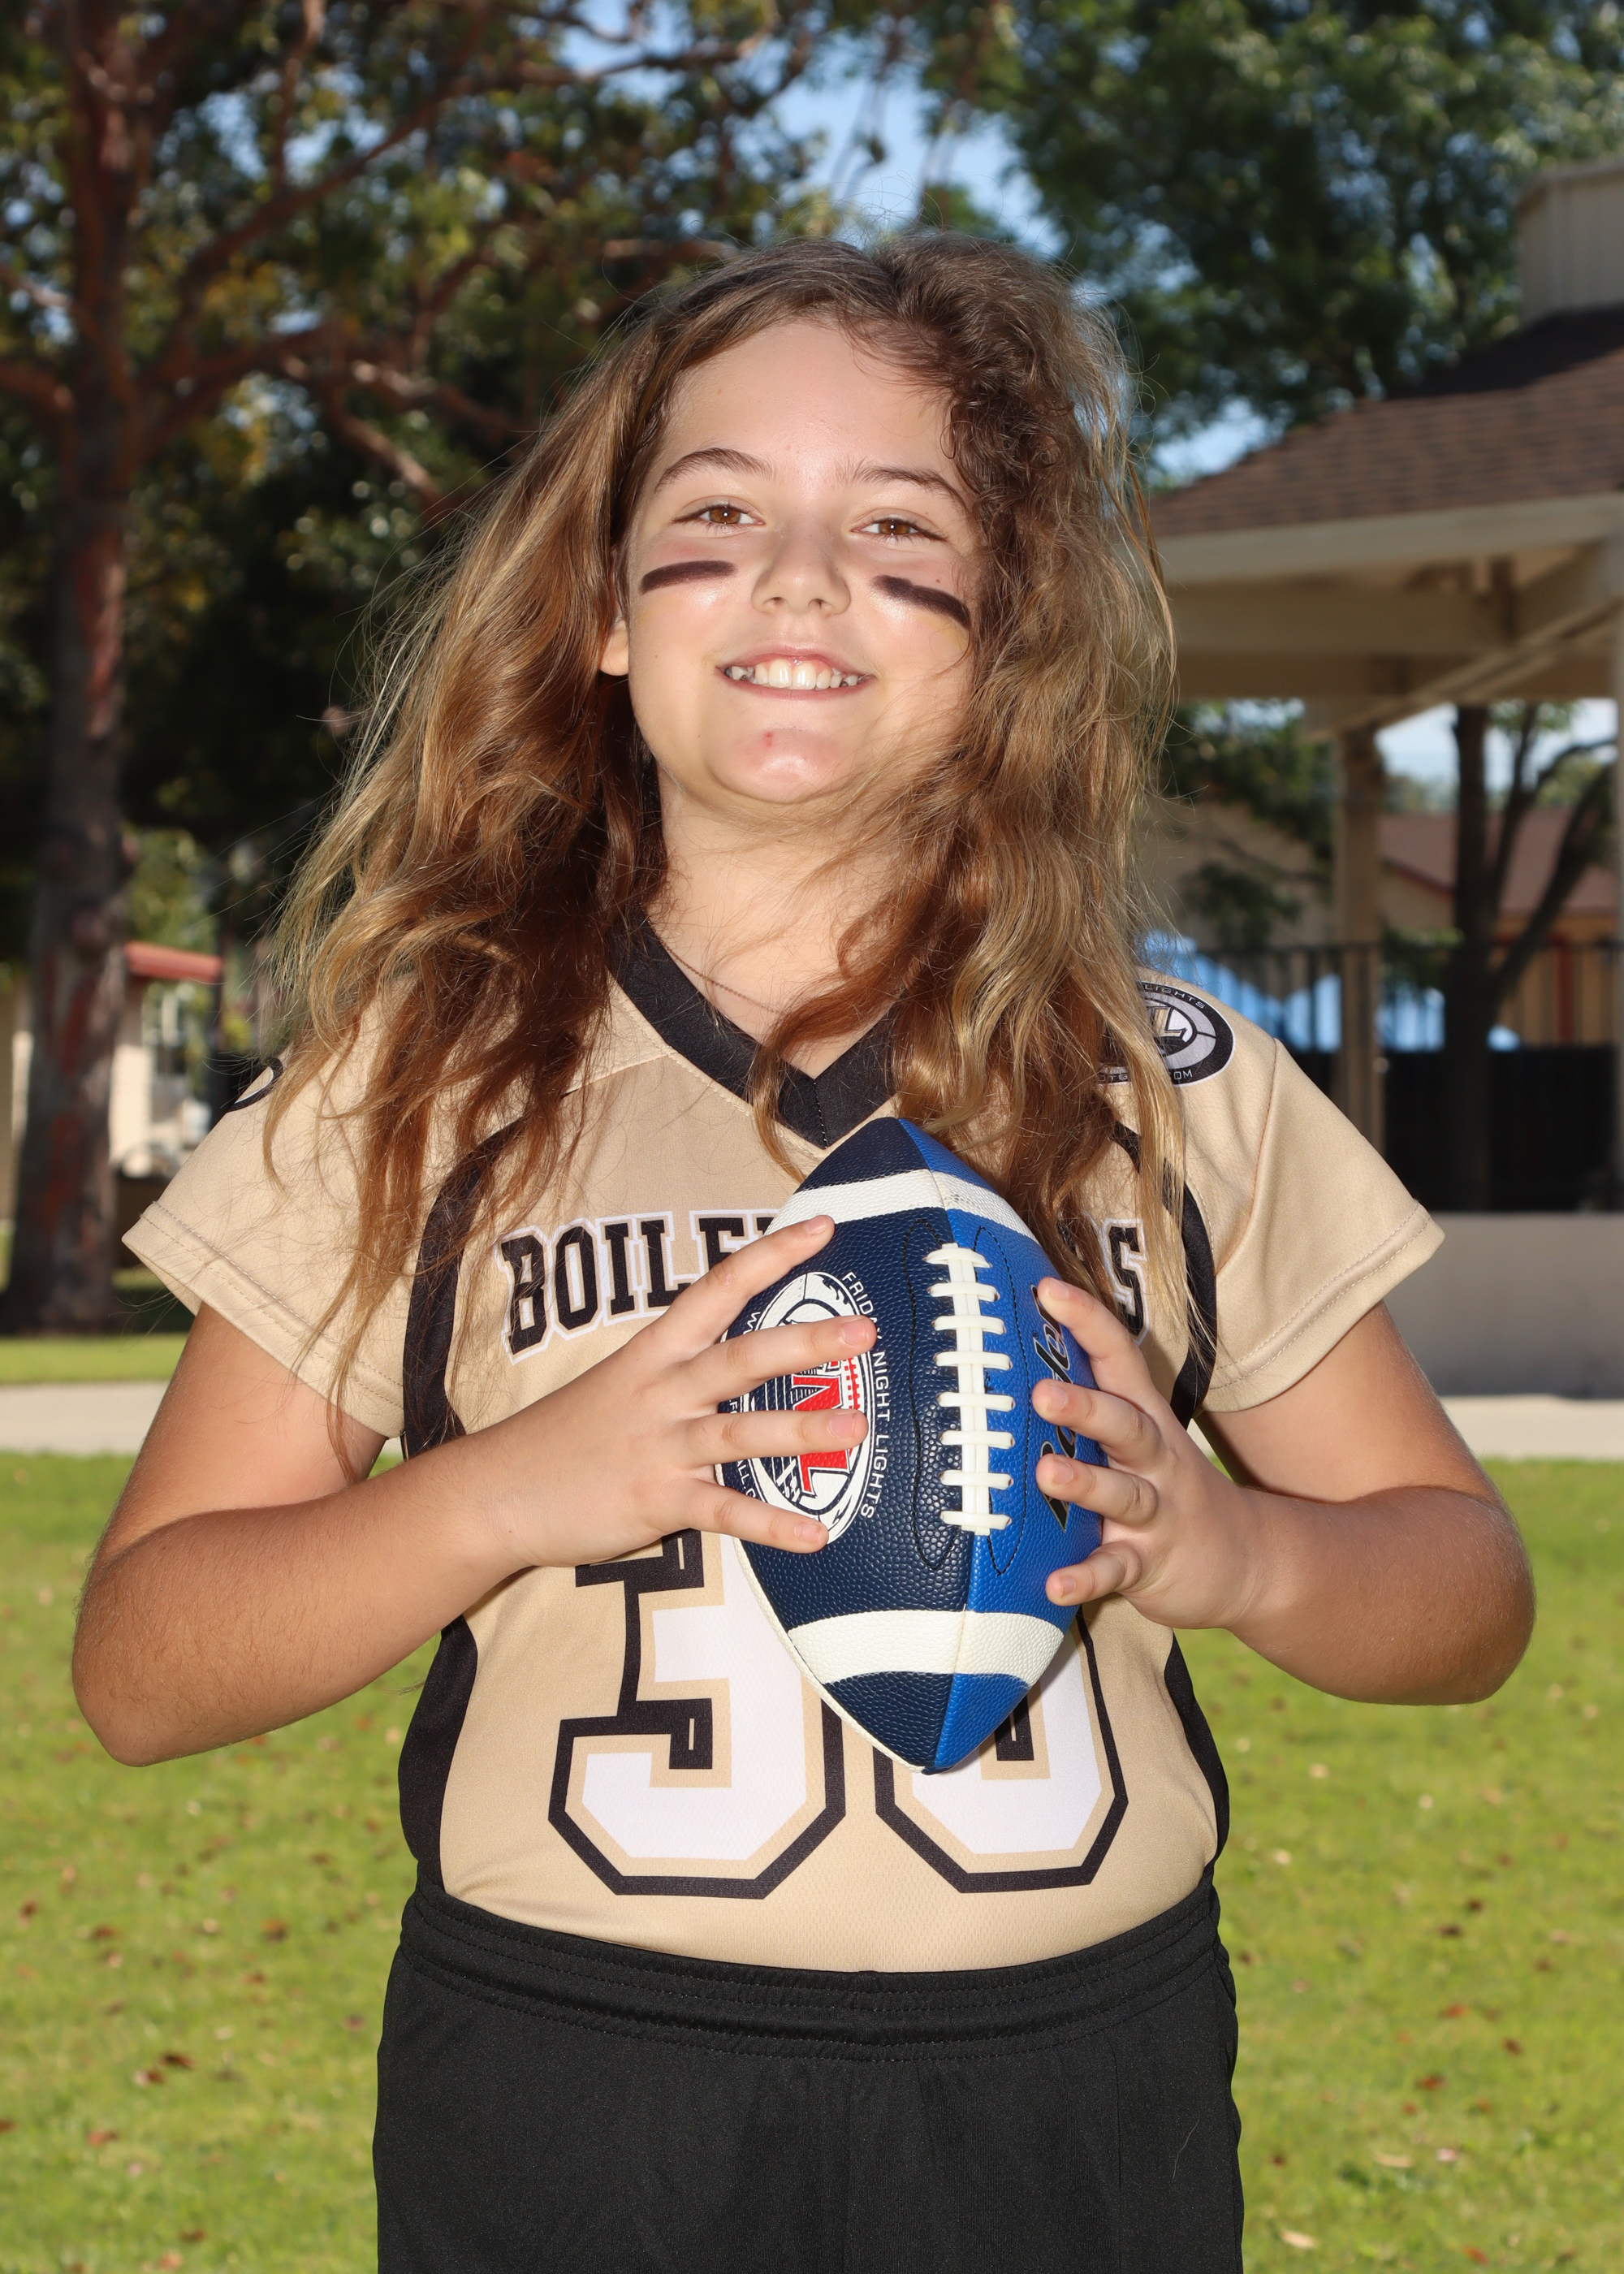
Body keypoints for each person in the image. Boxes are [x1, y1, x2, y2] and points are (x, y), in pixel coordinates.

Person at [76, 236, 1532, 2274]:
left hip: (1074, 2089)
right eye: (719, 515)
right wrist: (510, 1489)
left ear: (1008, 627)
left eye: (898, 528)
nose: (800, 579)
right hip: (579, 2093)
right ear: (600, 609)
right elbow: (142, 1665)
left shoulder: (1167, 1081)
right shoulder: (416, 1082)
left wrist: (1239, 1550)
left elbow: (1466, 1589)